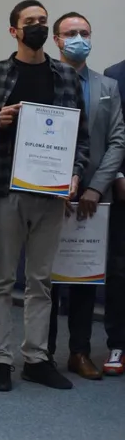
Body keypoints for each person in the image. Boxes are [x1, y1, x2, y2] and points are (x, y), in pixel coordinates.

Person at [0, 0, 89, 392]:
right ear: (14, 30)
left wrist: (75, 173)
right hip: (7, 188)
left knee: (41, 280)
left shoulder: (67, 76)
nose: (38, 26)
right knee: (2, 279)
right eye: (30, 21)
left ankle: (37, 358)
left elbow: (81, 136)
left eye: (43, 20)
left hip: (52, 193)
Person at [47, 13, 124, 379]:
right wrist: (54, 186)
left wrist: (95, 187)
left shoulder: (108, 85)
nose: (79, 38)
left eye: (85, 32)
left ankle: (79, 352)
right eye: (71, 33)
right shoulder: (43, 80)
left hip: (95, 198)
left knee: (84, 276)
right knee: (45, 279)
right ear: (57, 40)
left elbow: (117, 140)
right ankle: (41, 353)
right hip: (49, 196)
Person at [104, 56, 125, 375]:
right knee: (120, 269)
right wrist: (118, 175)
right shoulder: (116, 75)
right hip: (123, 189)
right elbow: (113, 132)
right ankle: (118, 344)